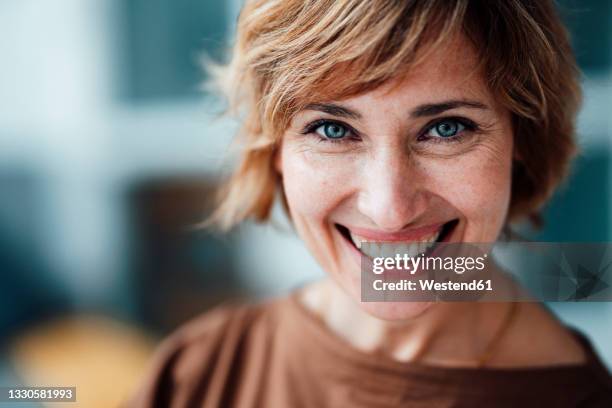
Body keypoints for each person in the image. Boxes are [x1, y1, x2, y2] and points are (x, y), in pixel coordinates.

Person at [131, 0, 612, 406]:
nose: (389, 208)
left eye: (446, 128)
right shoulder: (198, 375)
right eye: (333, 130)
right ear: (274, 149)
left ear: (521, 137)